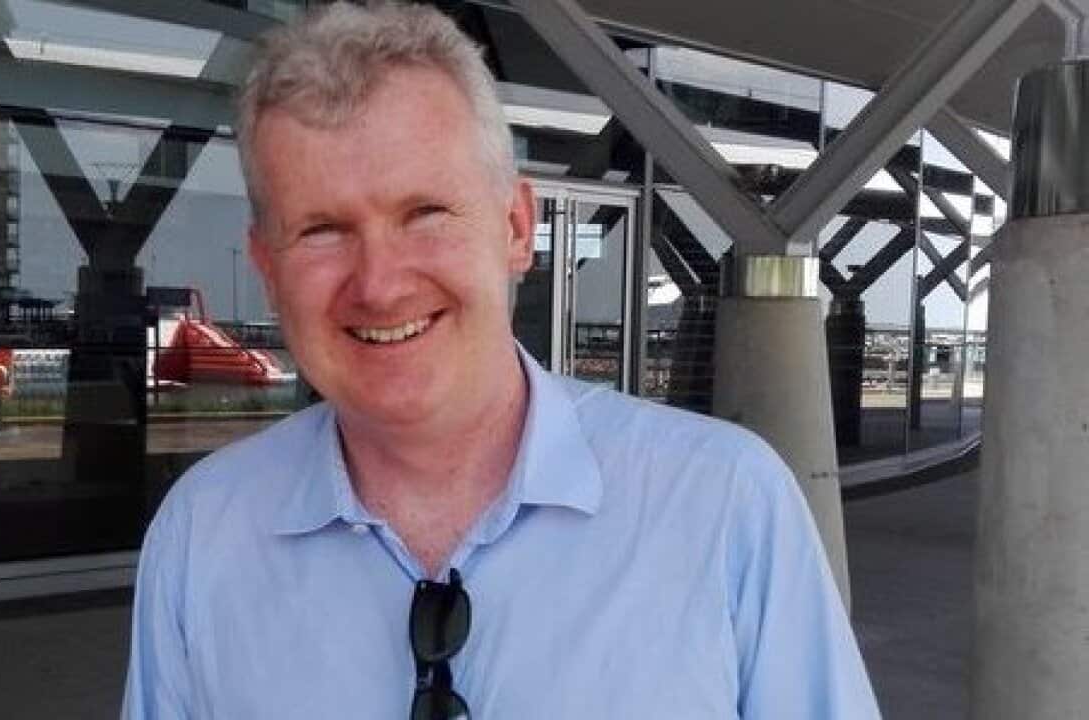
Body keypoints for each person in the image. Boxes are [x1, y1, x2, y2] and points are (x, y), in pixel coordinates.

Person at [122, 3, 880, 718]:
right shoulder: (203, 535)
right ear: (266, 265)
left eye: (425, 214)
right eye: (322, 230)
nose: (380, 284)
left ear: (518, 228)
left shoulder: (727, 508)